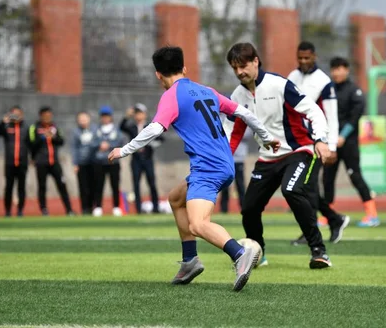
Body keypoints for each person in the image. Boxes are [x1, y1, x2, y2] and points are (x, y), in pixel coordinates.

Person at [108, 45, 280, 291]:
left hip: (208, 168)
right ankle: (190, 260)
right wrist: (265, 138)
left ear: (158, 74)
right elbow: (244, 112)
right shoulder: (206, 90)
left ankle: (240, 253)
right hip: (224, 164)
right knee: (176, 198)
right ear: (184, 68)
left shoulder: (171, 96)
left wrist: (123, 150)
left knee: (197, 224)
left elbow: (155, 128)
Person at [223, 42, 333, 269]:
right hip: (266, 159)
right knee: (249, 208)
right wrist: (222, 161)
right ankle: (257, 254)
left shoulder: (279, 85)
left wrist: (320, 140)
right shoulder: (237, 95)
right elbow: (233, 133)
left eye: (243, 66)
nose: (239, 72)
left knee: (291, 190)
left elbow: (314, 111)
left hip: (298, 152)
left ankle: (319, 251)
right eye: (234, 68)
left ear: (255, 61)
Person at [287, 41, 350, 245]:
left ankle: (312, 232)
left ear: (314, 57)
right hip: (298, 141)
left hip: (318, 142)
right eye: (300, 58)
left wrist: (330, 147)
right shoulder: (292, 77)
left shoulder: (324, 82)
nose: (304, 61)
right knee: (306, 187)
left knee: (308, 187)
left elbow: (331, 117)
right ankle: (334, 219)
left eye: (307, 58)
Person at [327, 57, 379, 227]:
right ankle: (327, 215)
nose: (336, 72)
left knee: (355, 176)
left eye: (339, 69)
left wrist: (343, 135)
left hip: (348, 143)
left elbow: (355, 116)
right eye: (333, 69)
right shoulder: (329, 90)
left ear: (346, 70)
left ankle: (372, 214)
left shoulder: (354, 90)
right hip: (331, 143)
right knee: (327, 178)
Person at [29, 106, 75, 216]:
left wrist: (53, 137)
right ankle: (44, 209)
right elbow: (31, 143)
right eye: (45, 116)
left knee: (62, 185)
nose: (47, 118)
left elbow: (61, 141)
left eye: (49, 115)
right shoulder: (34, 128)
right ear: (41, 116)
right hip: (41, 162)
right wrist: (42, 138)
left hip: (54, 162)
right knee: (42, 186)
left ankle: (69, 209)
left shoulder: (55, 127)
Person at [120, 103, 163, 214]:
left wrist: (150, 144)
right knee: (136, 184)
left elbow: (161, 138)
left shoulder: (150, 126)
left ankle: (156, 208)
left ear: (145, 114)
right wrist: (126, 116)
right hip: (136, 160)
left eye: (140, 113)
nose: (138, 115)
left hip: (148, 159)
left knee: (152, 184)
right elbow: (121, 127)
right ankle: (138, 209)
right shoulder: (132, 127)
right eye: (136, 113)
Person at [0, 105, 30, 217]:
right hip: (10, 162)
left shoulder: (26, 128)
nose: (16, 116)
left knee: (21, 187)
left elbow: (31, 143)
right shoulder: (7, 127)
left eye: (18, 114)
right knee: (8, 187)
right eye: (14, 113)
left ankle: (20, 210)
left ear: (22, 115)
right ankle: (8, 211)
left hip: (22, 162)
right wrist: (3, 122)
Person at [92, 106, 124, 217]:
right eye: (103, 116)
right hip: (100, 161)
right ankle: (98, 207)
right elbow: (92, 142)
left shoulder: (116, 129)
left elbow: (120, 141)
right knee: (98, 185)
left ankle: (116, 206)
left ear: (111, 117)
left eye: (107, 116)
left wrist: (109, 145)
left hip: (113, 162)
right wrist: (99, 145)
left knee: (115, 184)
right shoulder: (96, 129)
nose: (105, 118)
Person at [219, 127, 250, 213]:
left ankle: (244, 208)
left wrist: (234, 132)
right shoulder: (224, 120)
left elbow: (247, 134)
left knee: (240, 184)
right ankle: (223, 209)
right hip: (226, 158)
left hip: (239, 158)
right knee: (224, 185)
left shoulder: (242, 119)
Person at [72, 111, 97, 215]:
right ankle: (84, 208)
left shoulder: (95, 130)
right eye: (80, 119)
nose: (83, 121)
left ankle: (92, 207)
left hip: (94, 162)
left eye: (84, 119)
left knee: (93, 186)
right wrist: (75, 163)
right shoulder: (76, 132)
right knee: (83, 187)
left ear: (89, 119)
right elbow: (74, 148)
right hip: (82, 163)